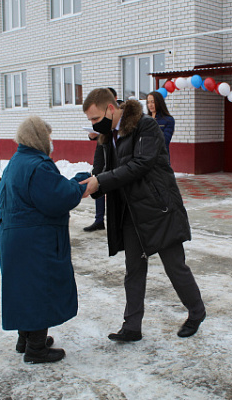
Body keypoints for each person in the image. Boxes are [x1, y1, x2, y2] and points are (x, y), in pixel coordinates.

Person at [80, 88, 206, 342]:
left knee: (174, 267)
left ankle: (196, 312)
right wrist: (87, 184)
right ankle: (132, 327)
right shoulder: (106, 136)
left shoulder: (145, 126)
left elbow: (140, 165)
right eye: (90, 121)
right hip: (129, 212)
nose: (93, 124)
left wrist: (100, 181)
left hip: (159, 208)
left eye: (95, 119)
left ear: (110, 109)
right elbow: (100, 168)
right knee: (133, 270)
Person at [0, 116, 90, 363]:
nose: (51, 141)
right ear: (38, 137)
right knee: (40, 288)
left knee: (23, 289)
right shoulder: (38, 165)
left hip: (12, 237)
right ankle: (36, 348)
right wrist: (79, 183)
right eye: (48, 136)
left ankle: (25, 339)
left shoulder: (16, 161)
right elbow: (58, 198)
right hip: (34, 241)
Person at [84, 87, 122, 232]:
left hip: (115, 160)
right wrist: (92, 135)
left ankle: (117, 221)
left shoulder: (122, 117)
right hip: (101, 155)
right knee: (97, 183)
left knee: (113, 186)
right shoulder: (101, 120)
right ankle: (99, 219)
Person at [146, 91, 175, 162]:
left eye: (153, 102)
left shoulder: (168, 120)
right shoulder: (145, 119)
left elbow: (165, 140)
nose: (150, 105)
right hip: (146, 158)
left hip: (161, 158)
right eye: (148, 102)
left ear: (159, 102)